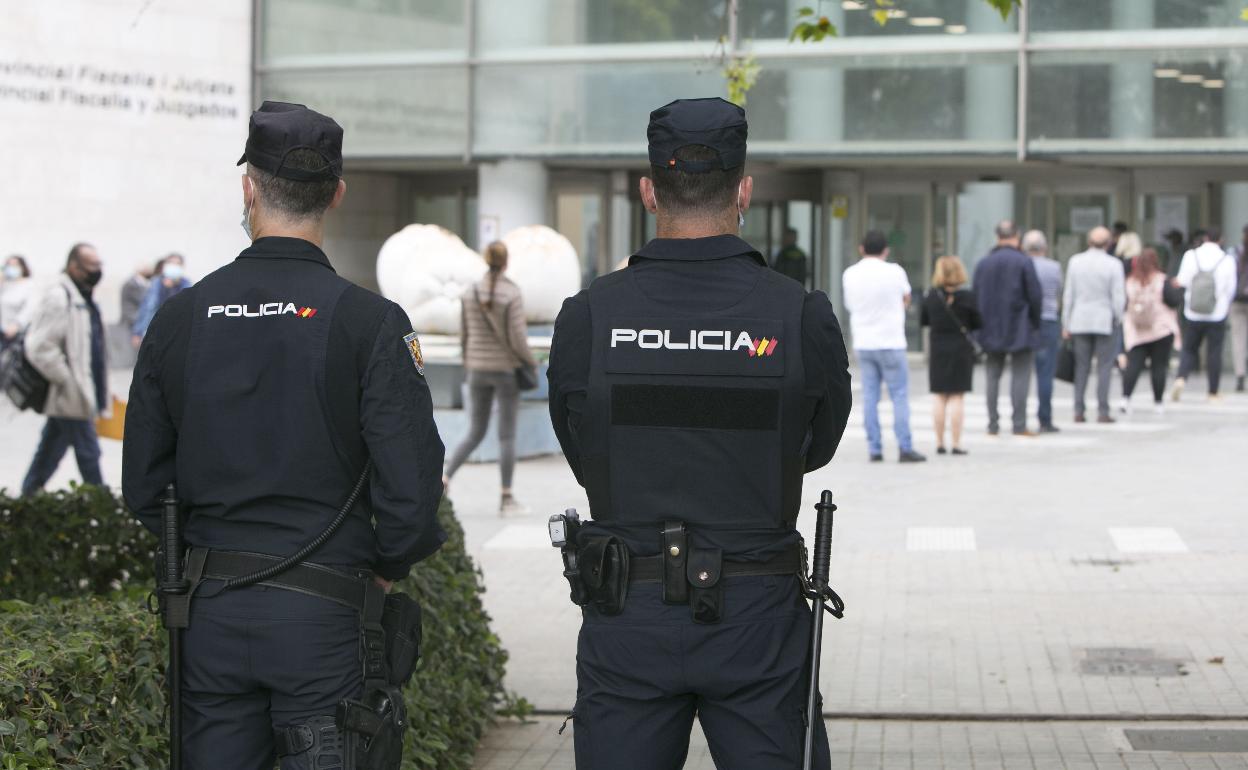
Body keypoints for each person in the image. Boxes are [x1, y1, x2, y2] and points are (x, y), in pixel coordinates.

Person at [122, 101, 446, 769]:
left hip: (208, 616)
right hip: (325, 620)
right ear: (337, 195)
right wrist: (384, 572)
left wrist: (210, 562)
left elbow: (144, 489)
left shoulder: (179, 320)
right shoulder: (370, 323)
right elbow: (411, 500)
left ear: (248, 187)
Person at [547, 97, 852, 770]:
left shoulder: (589, 317)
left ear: (648, 190)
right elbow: (819, 446)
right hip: (758, 618)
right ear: (744, 190)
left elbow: (582, 452)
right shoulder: (800, 315)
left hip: (627, 611)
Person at [443, 240, 539, 515]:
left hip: (476, 369)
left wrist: (468, 362)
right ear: (506, 262)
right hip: (505, 371)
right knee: (506, 436)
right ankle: (506, 498)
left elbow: (464, 334)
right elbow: (518, 338)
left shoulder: (470, 292)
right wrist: (530, 363)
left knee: (475, 430)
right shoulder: (511, 293)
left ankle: (445, 477)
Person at [20, 244, 108, 495]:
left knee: (50, 451)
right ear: (74, 267)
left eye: (100, 265)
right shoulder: (60, 297)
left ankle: (27, 499)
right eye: (92, 266)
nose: (97, 271)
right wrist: (68, 381)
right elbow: (39, 346)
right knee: (89, 453)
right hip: (70, 393)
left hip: (77, 391)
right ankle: (105, 509)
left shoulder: (83, 295)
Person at [843, 230, 925, 463]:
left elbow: (850, 304)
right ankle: (905, 447)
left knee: (870, 396)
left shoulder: (850, 274)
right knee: (899, 395)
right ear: (886, 250)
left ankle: (875, 448)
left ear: (861, 249)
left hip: (864, 342)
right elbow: (906, 298)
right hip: (891, 341)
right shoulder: (895, 271)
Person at [973, 220, 1042, 436]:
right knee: (1020, 376)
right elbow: (1035, 296)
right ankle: (1018, 424)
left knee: (992, 376)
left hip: (989, 327)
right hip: (1019, 325)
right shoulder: (1024, 262)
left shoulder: (984, 263)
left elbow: (975, 295)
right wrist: (1035, 322)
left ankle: (992, 424)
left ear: (997, 237)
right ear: (1017, 236)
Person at [1063, 226, 1126, 424]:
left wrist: (1066, 322)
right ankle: (1102, 411)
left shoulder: (1075, 262)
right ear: (1108, 243)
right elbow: (1118, 296)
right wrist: (1118, 317)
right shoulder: (1113, 264)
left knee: (1081, 367)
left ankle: (1078, 410)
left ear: (1088, 242)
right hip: (1104, 320)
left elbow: (1069, 295)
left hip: (1079, 320)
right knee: (1104, 367)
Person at [920, 255, 981, 455]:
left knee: (939, 396)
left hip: (938, 349)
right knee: (957, 395)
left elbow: (924, 321)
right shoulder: (969, 297)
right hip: (961, 349)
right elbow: (979, 323)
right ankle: (956, 443)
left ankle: (939, 442)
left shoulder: (930, 296)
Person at [1173, 227, 1238, 401]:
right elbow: (1230, 288)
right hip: (1217, 313)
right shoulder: (1227, 259)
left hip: (1193, 312)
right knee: (1214, 352)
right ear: (1221, 239)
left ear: (1205, 238)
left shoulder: (1191, 256)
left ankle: (1181, 378)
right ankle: (1213, 391)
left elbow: (1182, 281)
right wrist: (1223, 303)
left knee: (1189, 349)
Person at [1120, 247, 1182, 414]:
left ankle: (1125, 399)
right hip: (1161, 330)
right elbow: (1174, 301)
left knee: (1134, 365)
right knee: (1159, 366)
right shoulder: (1162, 280)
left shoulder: (1130, 282)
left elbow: (1123, 304)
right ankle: (1158, 402)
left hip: (1137, 330)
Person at [1023, 230, 1063, 432]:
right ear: (1044, 247)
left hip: (1026, 322)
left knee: (1021, 372)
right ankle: (1045, 419)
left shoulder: (1022, 266)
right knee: (1045, 373)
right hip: (1048, 320)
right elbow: (1058, 292)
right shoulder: (1054, 267)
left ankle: (1019, 418)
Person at [131, 252, 192, 344]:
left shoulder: (186, 285)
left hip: (177, 334)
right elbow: (146, 307)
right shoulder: (156, 283)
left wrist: (171, 289)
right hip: (155, 332)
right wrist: (138, 332)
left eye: (177, 264)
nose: (174, 266)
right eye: (171, 263)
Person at [1229, 224, 1248, 392]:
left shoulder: (1234, 252)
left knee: (1238, 340)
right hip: (1239, 301)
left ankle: (1240, 375)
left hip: (1237, 301)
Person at [1, 255, 34, 346]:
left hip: (18, 334)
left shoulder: (28, 285)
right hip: (3, 331)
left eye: (15, 265)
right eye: (9, 265)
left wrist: (17, 324)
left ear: (22, 267)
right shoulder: (5, 285)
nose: (11, 268)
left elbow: (29, 309)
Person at [119, 261, 155, 337]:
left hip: (137, 321)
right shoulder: (131, 284)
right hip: (131, 321)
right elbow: (144, 300)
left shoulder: (144, 283)